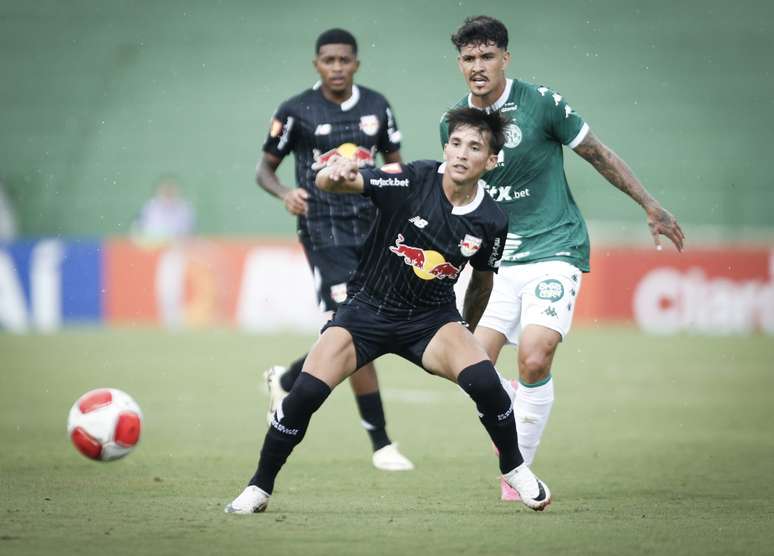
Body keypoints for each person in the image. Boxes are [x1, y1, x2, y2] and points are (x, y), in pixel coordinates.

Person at [225, 107, 554, 514]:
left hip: (430, 320)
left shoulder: (492, 220)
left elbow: (483, 280)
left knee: (486, 382)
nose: (461, 154)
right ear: (445, 148)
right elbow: (333, 182)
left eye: (474, 147)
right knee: (303, 396)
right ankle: (259, 486)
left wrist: (465, 331)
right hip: (366, 312)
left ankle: (514, 467)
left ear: (490, 161)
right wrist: (337, 172)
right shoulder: (411, 178)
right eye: (455, 144)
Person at [441, 16, 685, 501]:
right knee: (470, 367)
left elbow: (597, 153)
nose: (478, 66)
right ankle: (508, 398)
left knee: (534, 356)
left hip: (554, 246)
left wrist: (650, 204)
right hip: (496, 260)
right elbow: (458, 193)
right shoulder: (453, 123)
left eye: (487, 56)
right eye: (469, 58)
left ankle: (518, 473)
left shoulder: (542, 104)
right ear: (460, 64)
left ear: (505, 59)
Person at [256, 28, 413, 471]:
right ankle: (382, 444)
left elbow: (395, 163)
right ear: (317, 65)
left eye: (345, 60)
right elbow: (264, 169)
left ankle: (287, 378)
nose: (337, 68)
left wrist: (398, 203)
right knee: (355, 328)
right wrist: (285, 192)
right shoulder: (295, 111)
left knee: (367, 326)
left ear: (356, 64)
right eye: (329, 60)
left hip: (373, 230)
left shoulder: (377, 106)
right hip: (324, 233)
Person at [131, 176, 195, 242]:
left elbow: (188, 233)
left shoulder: (185, 209)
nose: (168, 192)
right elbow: (137, 233)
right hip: (152, 246)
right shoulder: (149, 207)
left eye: (172, 189)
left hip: (176, 246)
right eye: (165, 189)